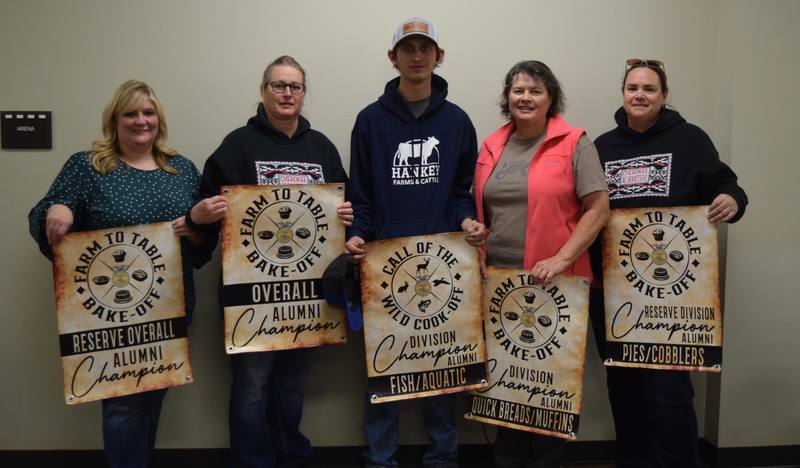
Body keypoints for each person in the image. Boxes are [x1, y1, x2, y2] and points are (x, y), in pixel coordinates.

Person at [28, 80, 210, 468]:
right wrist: (58, 209)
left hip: (169, 308)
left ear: (159, 119)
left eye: (148, 112)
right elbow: (44, 217)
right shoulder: (87, 167)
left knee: (152, 395)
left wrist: (193, 230)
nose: (141, 121)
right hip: (107, 311)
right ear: (115, 120)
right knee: (124, 404)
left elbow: (202, 244)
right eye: (131, 113)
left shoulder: (181, 169)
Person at [187, 55, 352, 468]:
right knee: (253, 385)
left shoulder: (322, 148)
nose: (287, 93)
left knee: (293, 384)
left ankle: (290, 454)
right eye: (278, 85)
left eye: (294, 86)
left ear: (303, 93)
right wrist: (204, 213)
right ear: (263, 92)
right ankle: (252, 460)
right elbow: (204, 206)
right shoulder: (236, 145)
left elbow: (343, 205)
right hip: (251, 295)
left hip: (309, 294)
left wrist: (348, 217)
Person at [589, 59, 748, 468]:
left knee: (669, 396)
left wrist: (733, 199)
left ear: (663, 95)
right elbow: (584, 210)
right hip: (614, 296)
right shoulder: (601, 148)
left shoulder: (691, 140)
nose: (639, 95)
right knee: (623, 390)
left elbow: (726, 185)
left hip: (672, 298)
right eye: (632, 88)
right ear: (622, 93)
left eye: (649, 88)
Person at [345, 17, 485, 468]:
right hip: (383, 266)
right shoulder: (369, 121)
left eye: (426, 47)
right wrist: (357, 235)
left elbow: (464, 188)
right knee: (381, 367)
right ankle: (380, 458)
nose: (418, 55)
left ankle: (442, 456)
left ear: (438, 56)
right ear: (394, 57)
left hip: (443, 266)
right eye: (408, 48)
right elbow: (360, 194)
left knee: (440, 368)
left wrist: (467, 220)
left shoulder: (459, 121)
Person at [473, 60, 609, 468]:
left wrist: (563, 257)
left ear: (551, 98)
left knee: (549, 390)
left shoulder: (575, 142)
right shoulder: (492, 145)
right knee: (507, 387)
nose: (525, 98)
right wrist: (472, 229)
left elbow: (598, 208)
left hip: (558, 285)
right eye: (518, 91)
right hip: (498, 284)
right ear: (507, 98)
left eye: (535, 91)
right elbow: (481, 206)